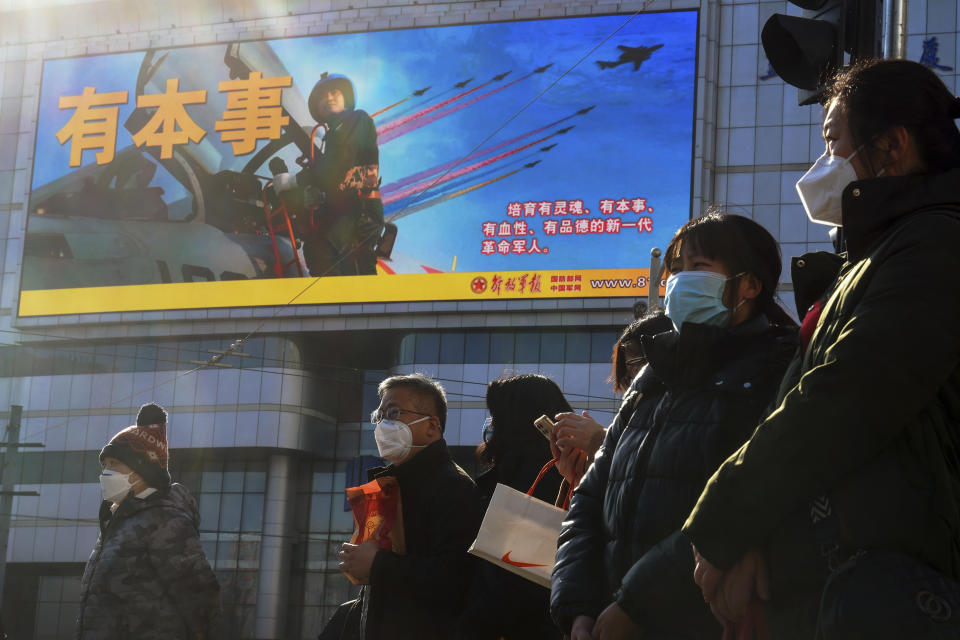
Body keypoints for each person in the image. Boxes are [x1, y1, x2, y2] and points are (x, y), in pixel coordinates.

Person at [684, 59, 960, 638]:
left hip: (908, 585)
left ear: (891, 147)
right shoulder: (876, 257)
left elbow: (845, 398)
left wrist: (726, 521)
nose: (820, 167)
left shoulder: (935, 243)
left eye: (833, 143)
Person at [550, 212, 799, 640]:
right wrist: (579, 609)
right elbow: (590, 502)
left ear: (749, 285)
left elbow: (741, 506)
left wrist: (635, 606)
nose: (681, 281)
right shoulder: (650, 380)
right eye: (677, 269)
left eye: (699, 268)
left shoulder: (777, 370)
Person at [336, 373, 482, 639]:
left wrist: (377, 564)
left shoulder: (454, 487)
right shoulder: (389, 487)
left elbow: (454, 578)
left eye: (393, 412)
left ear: (432, 426)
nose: (382, 425)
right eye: (378, 417)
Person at [76, 403, 220, 640]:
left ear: (142, 469)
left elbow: (200, 598)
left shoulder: (165, 520)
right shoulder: (118, 521)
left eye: (114, 464)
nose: (106, 473)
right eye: (105, 465)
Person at [457, 374, 571, 640]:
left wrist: (469, 624)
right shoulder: (567, 473)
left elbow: (516, 578)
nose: (492, 426)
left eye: (497, 416)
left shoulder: (531, 478)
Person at [301, 72, 384, 277]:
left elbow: (341, 165)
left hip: (357, 210)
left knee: (324, 252)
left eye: (334, 92)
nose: (329, 97)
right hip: (345, 210)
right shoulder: (331, 136)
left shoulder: (356, 119)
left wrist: (300, 180)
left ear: (346, 97)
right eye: (323, 96)